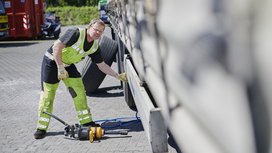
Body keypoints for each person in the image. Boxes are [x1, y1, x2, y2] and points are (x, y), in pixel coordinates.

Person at [34, 19, 127, 139]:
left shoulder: (94, 47)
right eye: (96, 29)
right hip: (52, 62)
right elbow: (57, 46)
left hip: (68, 65)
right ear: (89, 27)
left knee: (80, 93)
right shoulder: (75, 33)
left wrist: (117, 75)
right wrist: (60, 68)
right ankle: (41, 128)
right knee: (48, 95)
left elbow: (102, 65)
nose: (97, 33)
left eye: (101, 31)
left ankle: (86, 122)